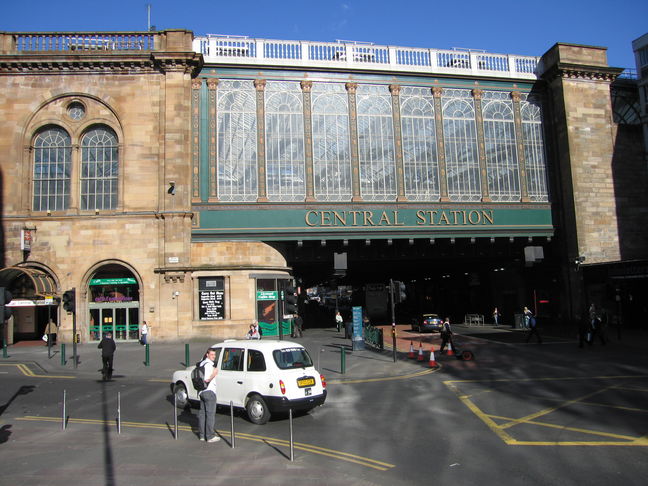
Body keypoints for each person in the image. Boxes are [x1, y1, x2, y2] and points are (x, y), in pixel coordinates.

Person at [197, 348, 220, 443]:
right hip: (209, 392)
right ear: (207, 354)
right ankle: (210, 436)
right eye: (211, 354)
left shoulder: (201, 363)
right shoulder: (208, 365)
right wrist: (214, 374)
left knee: (202, 414)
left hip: (201, 392)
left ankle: (202, 435)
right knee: (210, 414)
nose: (213, 356)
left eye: (214, 355)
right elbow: (207, 379)